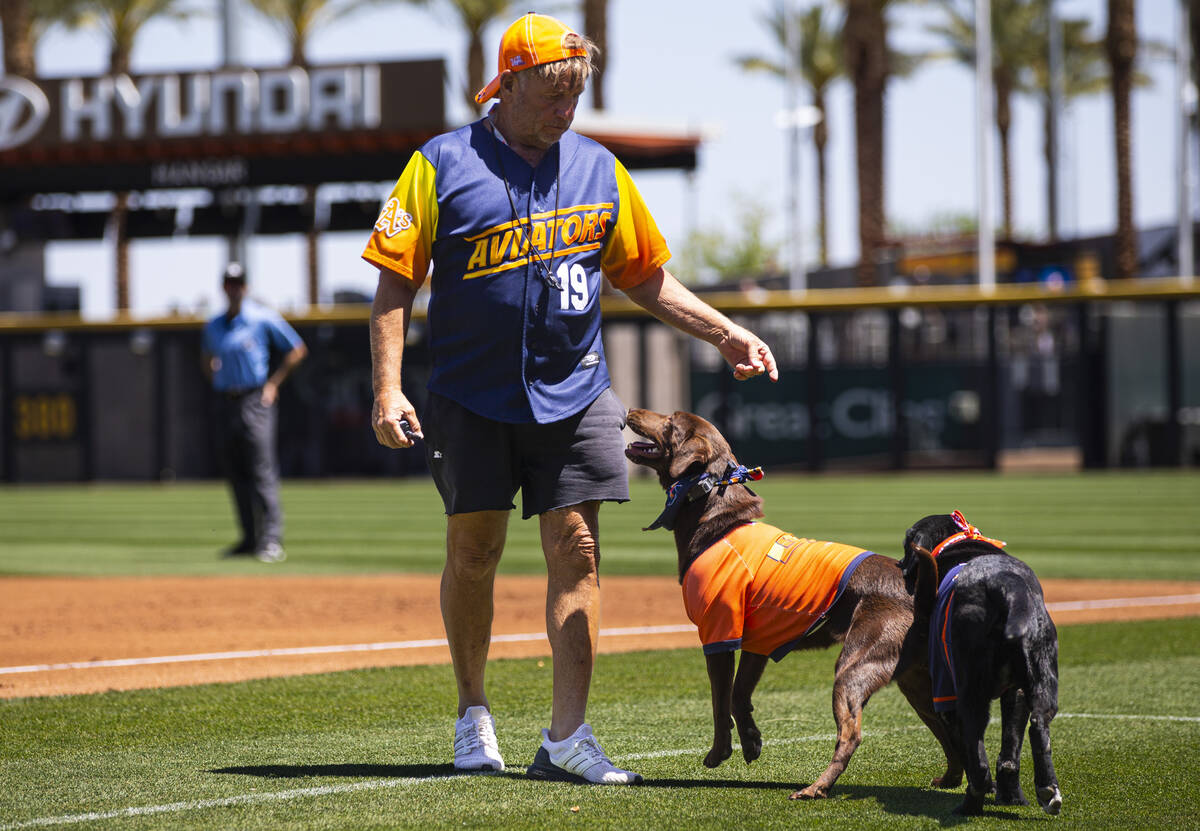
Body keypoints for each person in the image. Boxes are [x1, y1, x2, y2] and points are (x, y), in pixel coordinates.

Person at [362, 12, 778, 785]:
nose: (566, 109)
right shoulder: (439, 164)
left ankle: (566, 735)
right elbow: (395, 280)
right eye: (553, 92)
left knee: (578, 550)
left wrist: (722, 331)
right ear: (508, 83)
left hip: (576, 392)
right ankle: (472, 712)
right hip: (471, 395)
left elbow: (646, 275)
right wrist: (387, 387)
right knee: (474, 552)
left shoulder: (599, 169)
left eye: (577, 93)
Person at [202, 262, 308, 563]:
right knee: (235, 472)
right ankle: (249, 539)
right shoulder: (214, 325)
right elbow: (206, 358)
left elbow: (297, 348)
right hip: (226, 401)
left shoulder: (261, 318)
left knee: (262, 470)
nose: (233, 288)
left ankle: (271, 540)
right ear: (223, 287)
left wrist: (273, 384)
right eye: (229, 283)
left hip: (254, 400)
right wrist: (217, 382)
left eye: (238, 283)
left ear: (245, 287)